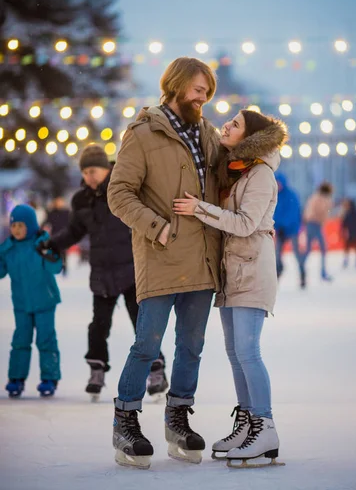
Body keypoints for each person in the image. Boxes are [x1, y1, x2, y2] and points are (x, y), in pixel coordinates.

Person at [107, 57, 221, 469]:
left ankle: (178, 419)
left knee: (191, 347)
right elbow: (118, 193)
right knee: (147, 345)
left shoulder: (208, 133)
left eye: (207, 91)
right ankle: (126, 421)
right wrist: (156, 227)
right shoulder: (142, 132)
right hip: (160, 254)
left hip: (202, 259)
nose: (203, 96)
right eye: (197, 88)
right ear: (174, 86)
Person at [173, 109, 288, 469]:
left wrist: (199, 209)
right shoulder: (236, 172)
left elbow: (245, 223)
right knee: (236, 353)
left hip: (252, 270)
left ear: (250, 137)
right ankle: (249, 421)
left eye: (235, 124)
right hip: (231, 271)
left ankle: (265, 426)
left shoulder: (260, 175)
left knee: (248, 351)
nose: (227, 125)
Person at [37, 145, 168, 400]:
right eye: (85, 172)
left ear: (107, 168)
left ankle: (156, 370)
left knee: (142, 323)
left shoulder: (124, 189)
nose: (89, 176)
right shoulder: (81, 200)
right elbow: (75, 232)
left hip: (132, 268)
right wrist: (52, 244)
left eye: (93, 170)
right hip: (102, 272)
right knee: (98, 326)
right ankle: (96, 370)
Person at [0, 205, 63, 398]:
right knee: (20, 341)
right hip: (22, 304)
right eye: (13, 225)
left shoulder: (41, 243)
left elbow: (56, 268)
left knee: (46, 340)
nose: (16, 229)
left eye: (21, 225)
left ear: (31, 225)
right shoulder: (8, 248)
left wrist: (50, 254)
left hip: (45, 300)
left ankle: (49, 378)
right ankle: (16, 379)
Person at [274, 173, 305, 288]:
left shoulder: (291, 195)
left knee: (297, 253)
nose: (278, 185)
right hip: (280, 229)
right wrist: (277, 226)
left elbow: (293, 214)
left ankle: (302, 273)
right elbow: (274, 213)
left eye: (279, 182)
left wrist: (284, 225)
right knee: (277, 253)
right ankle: (278, 272)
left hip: (292, 229)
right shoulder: (275, 195)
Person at [303, 182, 334, 281]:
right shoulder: (321, 199)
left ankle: (302, 267)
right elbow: (321, 211)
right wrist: (329, 205)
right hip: (314, 224)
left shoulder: (314, 197)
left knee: (309, 250)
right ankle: (322, 272)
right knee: (322, 248)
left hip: (311, 224)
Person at [43, 197, 71, 275]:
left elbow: (71, 222)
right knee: (55, 252)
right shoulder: (52, 213)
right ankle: (56, 267)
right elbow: (46, 222)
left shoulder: (66, 212)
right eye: (57, 202)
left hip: (64, 235)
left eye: (60, 202)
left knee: (63, 252)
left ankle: (64, 267)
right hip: (55, 235)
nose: (59, 204)